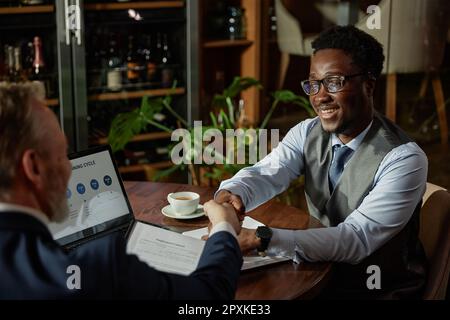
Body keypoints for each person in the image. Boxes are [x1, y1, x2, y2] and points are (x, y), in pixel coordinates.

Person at [216, 26, 428, 299]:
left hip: (375, 290)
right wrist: (234, 192)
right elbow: (267, 173)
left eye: (334, 82)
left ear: (369, 84)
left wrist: (263, 238)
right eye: (313, 84)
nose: (320, 96)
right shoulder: (306, 131)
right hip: (319, 273)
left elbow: (357, 239)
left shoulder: (404, 159)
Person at [0, 81, 242, 299]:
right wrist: (224, 228)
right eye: (62, 155)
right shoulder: (100, 268)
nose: (70, 170)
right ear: (33, 167)